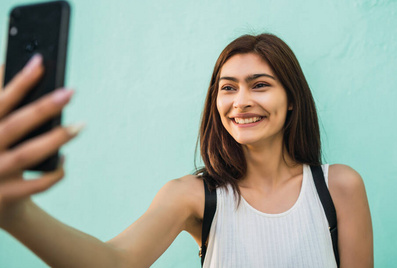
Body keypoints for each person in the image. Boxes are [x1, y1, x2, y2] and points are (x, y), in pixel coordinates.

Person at [0, 34, 373, 267]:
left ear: (291, 99)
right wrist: (15, 213)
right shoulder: (194, 195)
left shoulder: (339, 186)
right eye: (228, 88)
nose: (240, 101)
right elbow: (113, 262)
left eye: (259, 85)